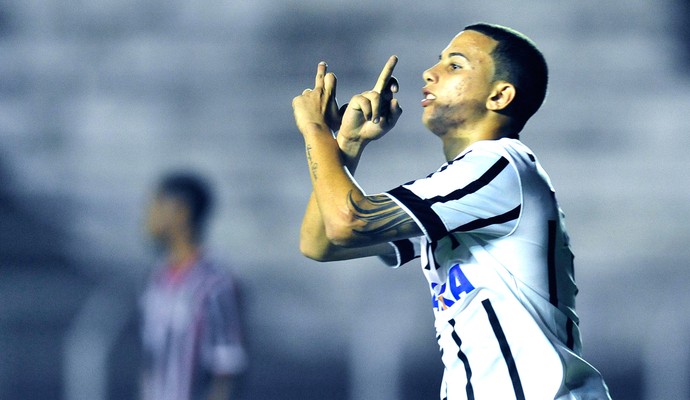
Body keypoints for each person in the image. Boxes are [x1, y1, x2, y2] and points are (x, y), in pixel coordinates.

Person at [292, 22, 611, 399]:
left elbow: (348, 222)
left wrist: (315, 130)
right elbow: (321, 243)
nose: (430, 73)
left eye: (455, 65)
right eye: (438, 61)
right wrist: (345, 142)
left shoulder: (499, 165)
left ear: (500, 96)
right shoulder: (461, 187)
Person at [139, 172, 248, 400]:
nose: (148, 215)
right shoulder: (157, 279)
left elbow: (228, 366)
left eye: (156, 205)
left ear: (180, 211)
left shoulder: (215, 283)